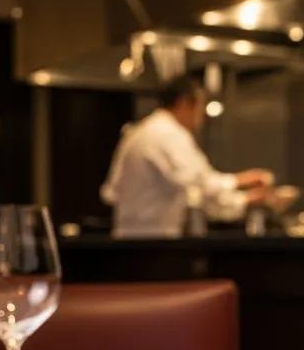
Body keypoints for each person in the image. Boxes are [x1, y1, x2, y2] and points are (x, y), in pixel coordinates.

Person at [100, 75, 273, 237]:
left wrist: (243, 200)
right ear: (184, 103)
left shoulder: (138, 132)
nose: (201, 116)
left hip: (126, 237)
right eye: (200, 107)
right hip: (154, 239)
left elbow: (110, 192)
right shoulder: (169, 133)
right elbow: (197, 182)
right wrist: (241, 182)